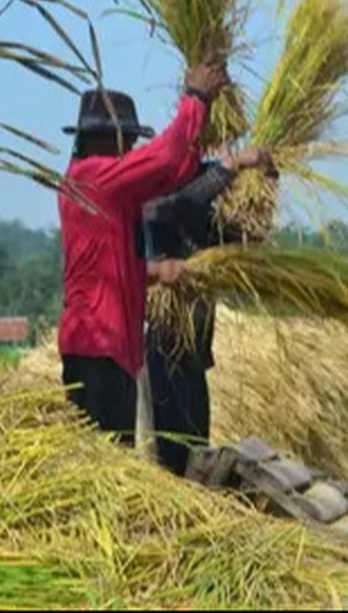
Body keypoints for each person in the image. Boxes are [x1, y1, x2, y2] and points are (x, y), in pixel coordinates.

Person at [58, 63, 226, 445]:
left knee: (116, 455)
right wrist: (195, 97)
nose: (130, 148)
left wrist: (157, 270)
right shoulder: (93, 178)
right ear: (107, 137)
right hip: (96, 346)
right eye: (127, 139)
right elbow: (165, 158)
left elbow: (174, 173)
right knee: (103, 461)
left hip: (111, 348)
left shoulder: (108, 190)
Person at [143, 148, 276, 475]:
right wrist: (230, 168)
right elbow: (174, 207)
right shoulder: (154, 194)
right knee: (171, 450)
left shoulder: (205, 218)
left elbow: (248, 240)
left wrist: (265, 185)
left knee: (197, 444)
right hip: (164, 345)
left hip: (196, 351)